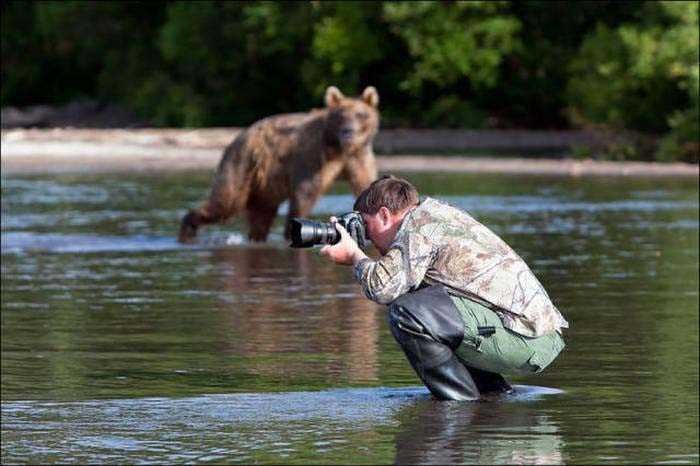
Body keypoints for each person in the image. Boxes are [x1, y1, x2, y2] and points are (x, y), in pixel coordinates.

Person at [320, 175, 569, 401]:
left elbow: (382, 288)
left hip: (527, 336)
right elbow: (397, 284)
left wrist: (354, 255)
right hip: (531, 334)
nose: (366, 237)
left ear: (385, 215)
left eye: (365, 225)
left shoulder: (419, 226)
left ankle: (459, 406)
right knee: (423, 305)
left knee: (407, 313)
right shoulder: (434, 214)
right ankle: (492, 397)